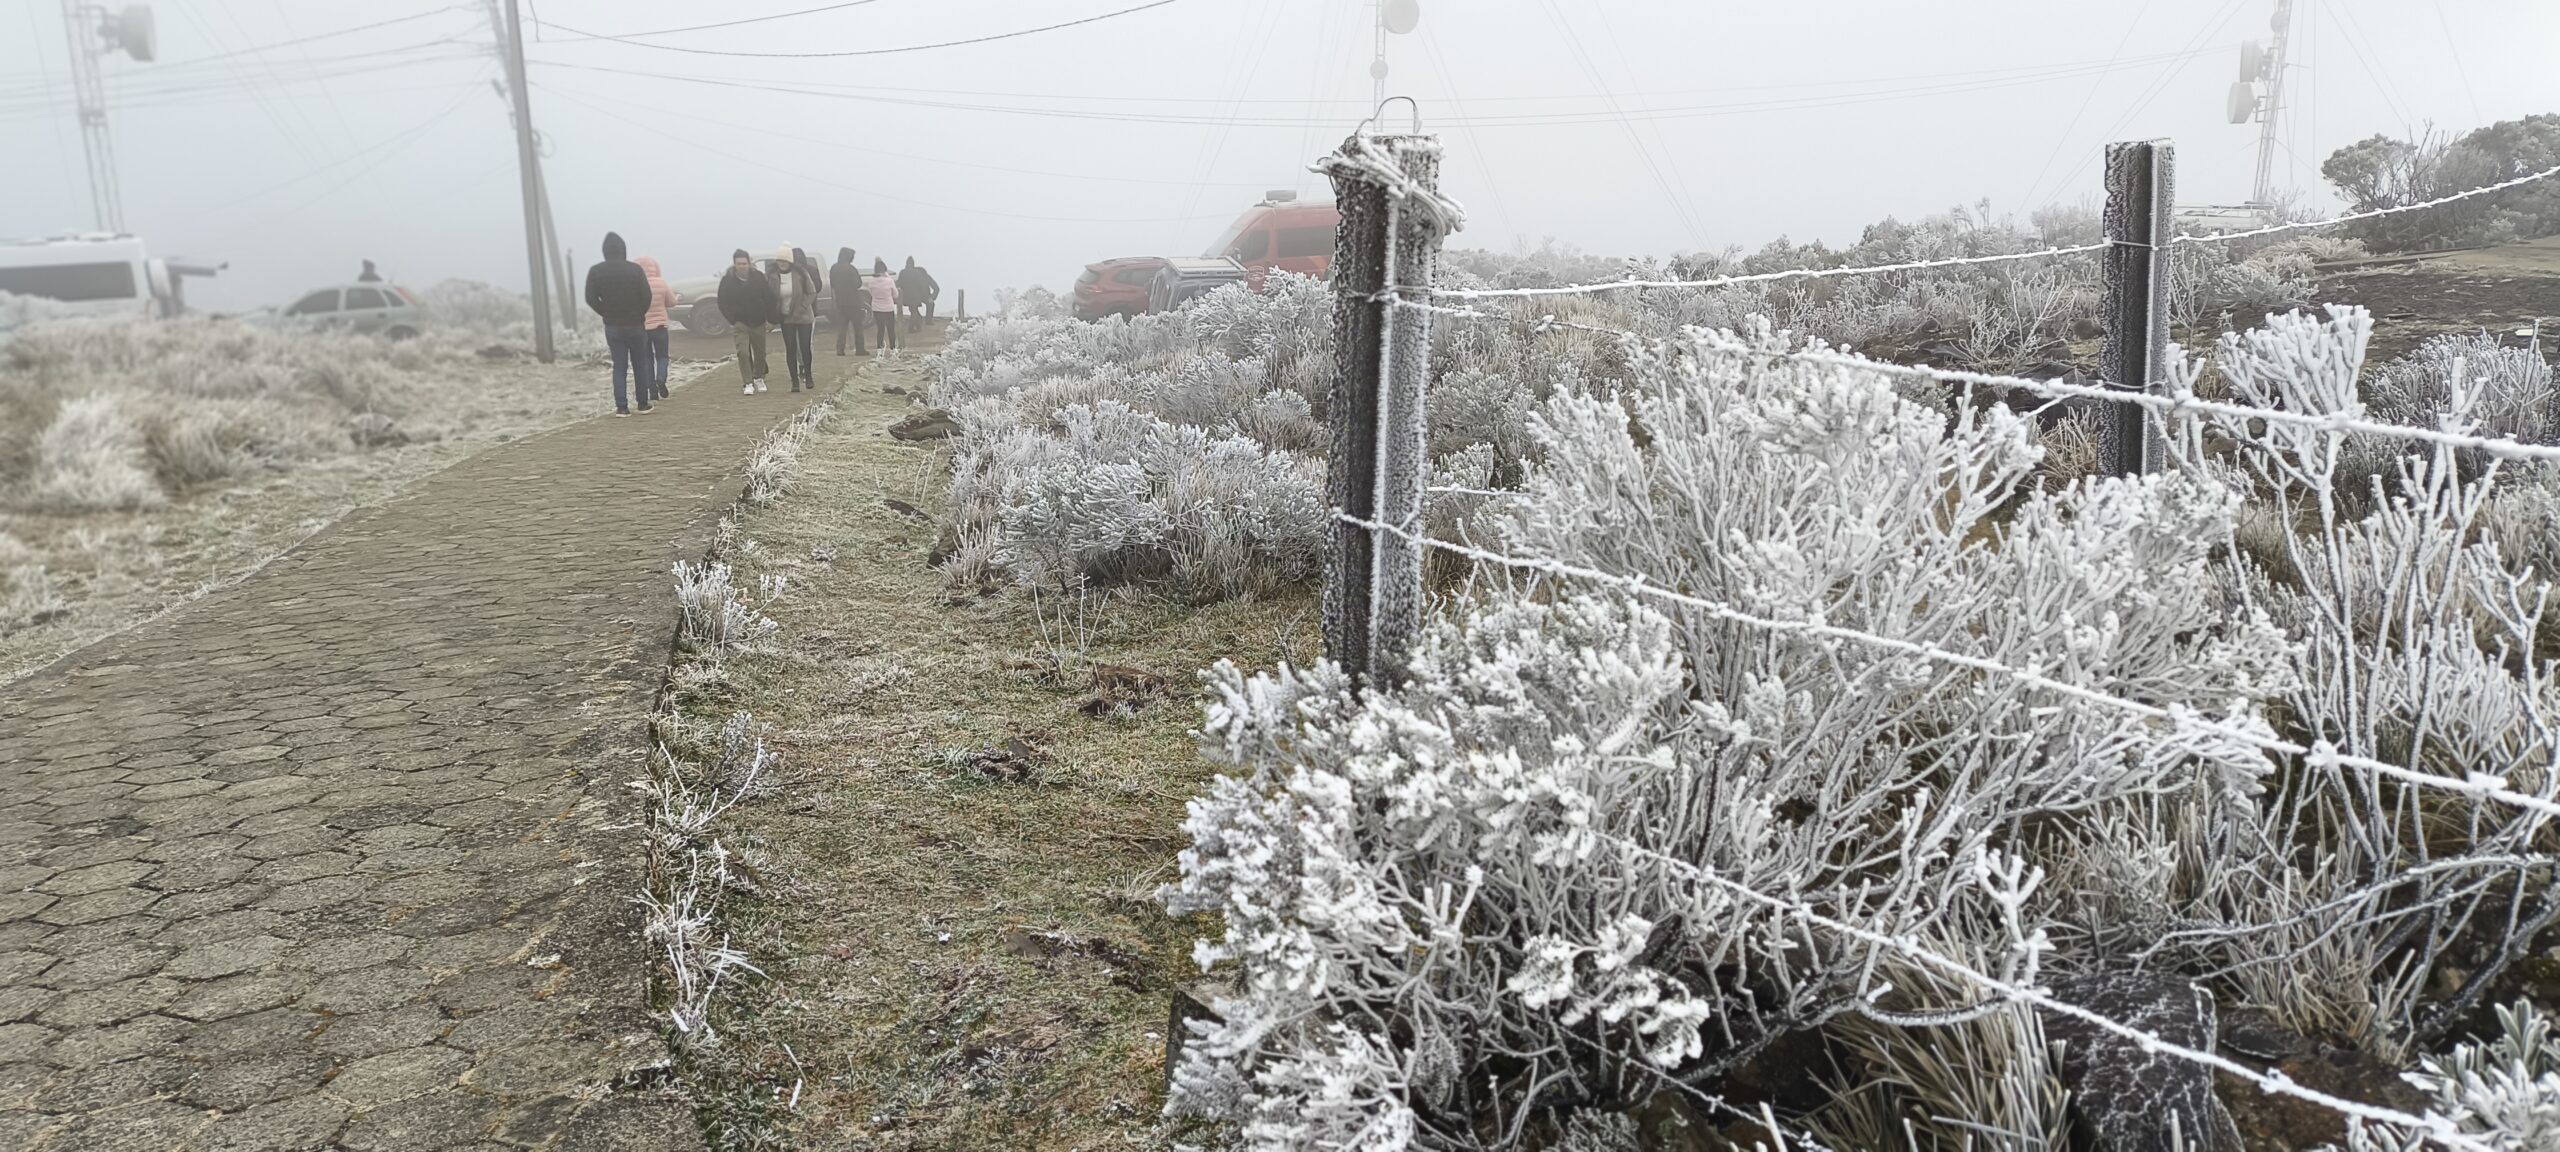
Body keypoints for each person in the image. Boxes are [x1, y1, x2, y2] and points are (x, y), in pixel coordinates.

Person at [582, 232, 654, 416]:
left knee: (619, 366)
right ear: (623, 249)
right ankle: (643, 403)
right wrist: (639, 313)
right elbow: (646, 296)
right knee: (640, 364)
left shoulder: (596, 271)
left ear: (604, 251)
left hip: (613, 326)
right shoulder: (635, 270)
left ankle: (622, 407)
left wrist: (605, 312)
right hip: (636, 324)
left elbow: (590, 298)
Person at [716, 248, 780, 394]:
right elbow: (722, 301)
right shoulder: (728, 280)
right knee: (743, 353)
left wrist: (771, 319)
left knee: (760, 352)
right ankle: (747, 382)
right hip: (740, 322)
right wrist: (731, 319)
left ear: (749, 263)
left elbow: (769, 298)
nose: (742, 266)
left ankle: (759, 378)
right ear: (734, 265)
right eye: (739, 264)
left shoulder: (758, 277)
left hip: (758, 320)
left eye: (744, 263)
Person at [778, 246, 821, 393]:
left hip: (803, 316)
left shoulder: (801, 273)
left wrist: (802, 306)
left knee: (804, 346)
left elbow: (812, 291)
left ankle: (808, 375)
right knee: (790, 348)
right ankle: (794, 381)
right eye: (779, 260)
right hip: (786, 317)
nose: (782, 263)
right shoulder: (773, 276)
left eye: (784, 260)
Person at [638, 256, 678, 403]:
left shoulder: (637, 284)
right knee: (662, 357)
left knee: (646, 360)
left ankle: (652, 392)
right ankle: (661, 378)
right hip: (660, 327)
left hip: (642, 328)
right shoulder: (661, 283)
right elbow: (672, 302)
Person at [828, 246, 865, 356]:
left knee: (842, 327)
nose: (853, 258)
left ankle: (840, 349)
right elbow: (858, 283)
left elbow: (832, 283)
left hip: (840, 301)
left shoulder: (834, 268)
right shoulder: (851, 268)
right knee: (858, 327)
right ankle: (860, 349)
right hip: (853, 302)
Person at [865, 257, 900, 352]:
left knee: (880, 330)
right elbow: (896, 294)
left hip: (876, 308)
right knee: (891, 329)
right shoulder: (889, 281)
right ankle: (893, 349)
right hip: (888, 308)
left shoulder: (871, 281)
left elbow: (871, 293)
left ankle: (879, 350)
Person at [896, 256, 939, 332]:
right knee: (914, 310)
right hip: (917, 295)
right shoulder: (917, 274)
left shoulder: (903, 273)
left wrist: (932, 297)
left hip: (914, 296)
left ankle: (926, 321)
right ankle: (915, 326)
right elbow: (921, 286)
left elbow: (936, 288)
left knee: (917, 309)